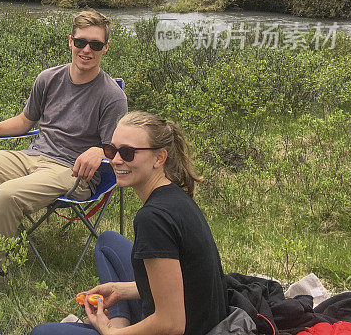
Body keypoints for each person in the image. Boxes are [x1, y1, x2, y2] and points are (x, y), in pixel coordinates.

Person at [0, 10, 128, 300]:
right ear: (70, 42)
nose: (87, 50)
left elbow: (116, 149)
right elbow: (25, 122)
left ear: (105, 48)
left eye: (96, 45)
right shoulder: (48, 78)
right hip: (33, 156)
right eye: (81, 42)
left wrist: (99, 150)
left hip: (71, 172)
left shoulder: (112, 96)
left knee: (8, 194)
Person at [30, 111, 227, 335]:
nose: (115, 160)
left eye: (128, 152)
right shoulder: (175, 196)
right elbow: (182, 281)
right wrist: (120, 290)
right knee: (107, 241)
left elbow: (172, 324)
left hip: (186, 328)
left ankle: (117, 328)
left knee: (43, 332)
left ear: (159, 158)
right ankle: (121, 320)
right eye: (111, 150)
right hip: (204, 316)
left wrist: (112, 333)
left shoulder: (153, 219)